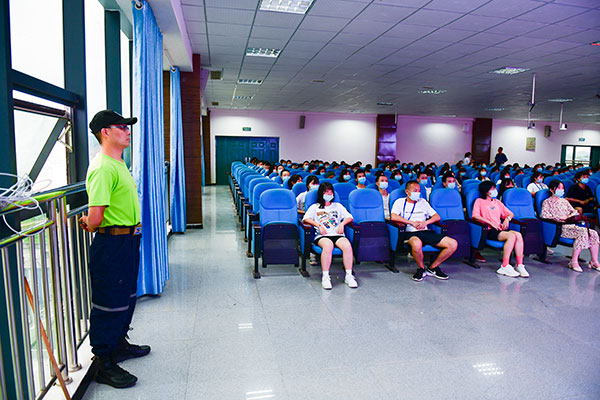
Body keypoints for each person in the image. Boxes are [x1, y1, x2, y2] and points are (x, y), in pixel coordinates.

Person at [79, 110, 150, 389]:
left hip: (128, 241)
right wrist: (87, 221)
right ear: (105, 132)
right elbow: (95, 219)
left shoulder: (118, 164)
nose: (127, 131)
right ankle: (104, 362)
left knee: (126, 296)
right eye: (122, 127)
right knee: (109, 302)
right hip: (112, 244)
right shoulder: (102, 167)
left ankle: (118, 343)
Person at [390, 180, 457, 281]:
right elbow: (393, 217)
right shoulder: (399, 202)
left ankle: (432, 268)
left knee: (453, 244)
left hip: (425, 231)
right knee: (416, 243)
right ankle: (421, 268)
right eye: (415, 190)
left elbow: (436, 216)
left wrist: (426, 223)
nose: (418, 193)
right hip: (410, 232)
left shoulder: (423, 202)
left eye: (419, 191)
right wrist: (411, 222)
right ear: (407, 192)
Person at [303, 183, 358, 289]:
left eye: (330, 192)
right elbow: (306, 218)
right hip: (322, 236)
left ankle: (349, 275)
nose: (328, 194)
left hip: (337, 234)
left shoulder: (338, 206)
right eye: (326, 192)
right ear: (321, 193)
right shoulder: (315, 207)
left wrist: (342, 224)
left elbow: (349, 217)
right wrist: (318, 225)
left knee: (347, 246)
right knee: (328, 246)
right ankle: (326, 276)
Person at [471, 181, 529, 278]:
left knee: (518, 235)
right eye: (492, 189)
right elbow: (475, 216)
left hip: (499, 229)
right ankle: (504, 265)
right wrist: (490, 223)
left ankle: (520, 265)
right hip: (488, 230)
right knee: (511, 236)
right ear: (486, 191)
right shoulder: (479, 201)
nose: (495, 191)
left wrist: (507, 219)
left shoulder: (497, 202)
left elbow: (510, 213)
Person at [541, 180, 600, 272]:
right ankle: (573, 261)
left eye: (563, 188)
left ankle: (594, 261)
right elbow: (545, 216)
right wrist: (559, 217)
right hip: (560, 227)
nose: (562, 190)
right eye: (559, 188)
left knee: (593, 233)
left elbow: (574, 212)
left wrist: (568, 216)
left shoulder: (564, 201)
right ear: (552, 189)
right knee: (583, 233)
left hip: (571, 225)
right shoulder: (547, 202)